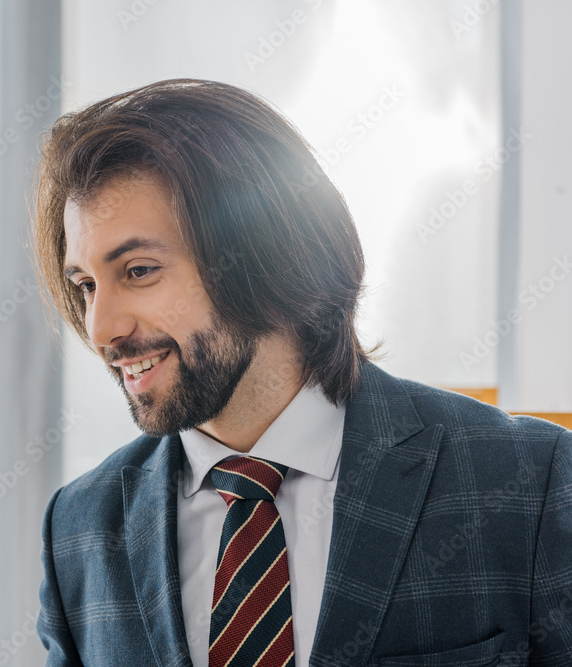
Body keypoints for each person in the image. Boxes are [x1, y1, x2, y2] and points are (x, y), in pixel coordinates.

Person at [29, 78, 572, 666]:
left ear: (268, 258)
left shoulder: (527, 485)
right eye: (84, 285)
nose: (101, 327)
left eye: (137, 271)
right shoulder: (79, 528)